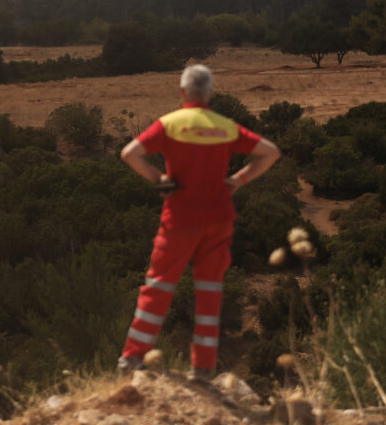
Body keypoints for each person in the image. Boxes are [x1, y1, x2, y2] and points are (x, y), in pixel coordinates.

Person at [117, 64, 280, 380]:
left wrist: (159, 178)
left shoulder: (170, 123)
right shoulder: (225, 126)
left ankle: (132, 359)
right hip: (219, 218)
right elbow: (271, 152)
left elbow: (129, 153)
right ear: (210, 93)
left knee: (158, 287)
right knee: (210, 290)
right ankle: (203, 368)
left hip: (179, 218)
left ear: (182, 93)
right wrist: (238, 180)